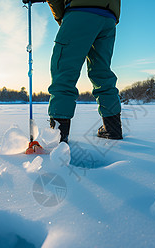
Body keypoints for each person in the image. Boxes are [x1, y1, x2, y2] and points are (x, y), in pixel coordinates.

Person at [46, 0, 122, 143]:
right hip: (109, 16)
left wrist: (61, 18)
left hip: (80, 11)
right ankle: (113, 128)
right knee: (102, 72)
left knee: (64, 71)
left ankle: (58, 137)